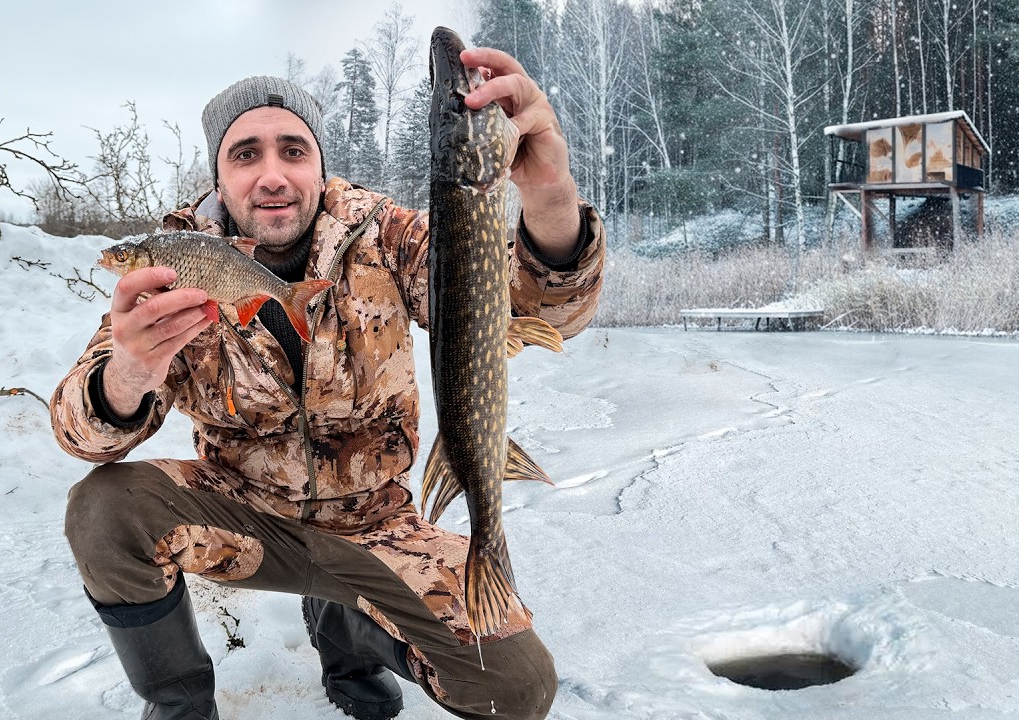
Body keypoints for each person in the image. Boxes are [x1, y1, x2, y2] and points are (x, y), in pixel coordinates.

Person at [51, 45, 605, 720]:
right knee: (102, 510)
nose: (273, 175)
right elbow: (82, 432)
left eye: (293, 149)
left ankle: (348, 625)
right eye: (246, 154)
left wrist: (549, 195)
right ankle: (178, 706)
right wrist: (130, 372)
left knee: (514, 686)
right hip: (240, 515)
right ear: (218, 178)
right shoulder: (176, 261)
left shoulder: (389, 237)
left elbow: (537, 311)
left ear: (320, 163)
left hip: (377, 524)